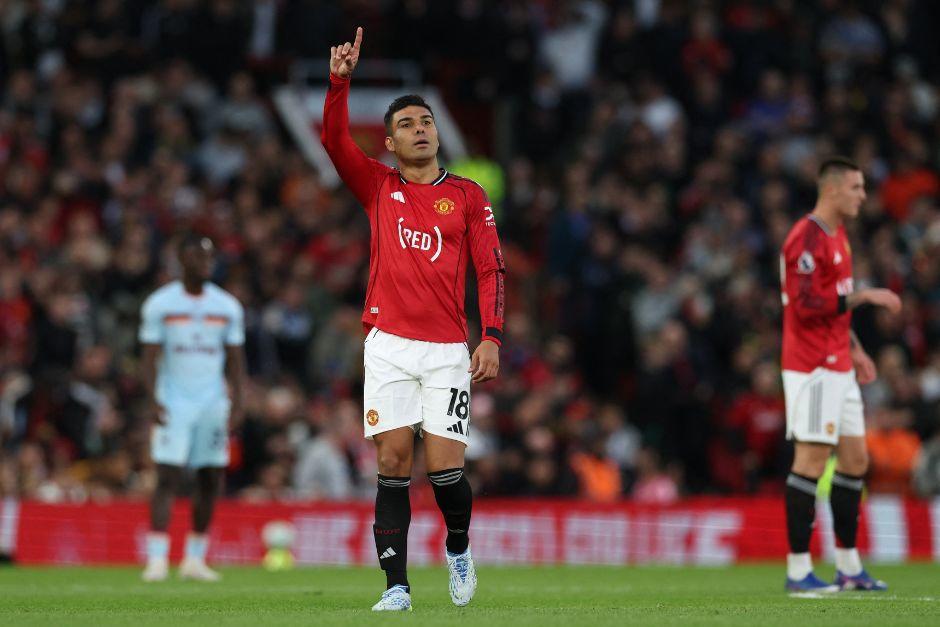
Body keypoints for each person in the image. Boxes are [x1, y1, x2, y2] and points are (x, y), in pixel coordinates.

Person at [322, 28, 505, 611]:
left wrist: (491, 336)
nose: (420, 129)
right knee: (393, 463)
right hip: (388, 345)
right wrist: (339, 83)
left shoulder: (469, 195)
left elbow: (490, 269)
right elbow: (334, 141)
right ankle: (396, 586)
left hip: (448, 348)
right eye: (407, 124)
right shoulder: (378, 186)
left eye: (426, 121)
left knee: (446, 471)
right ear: (391, 143)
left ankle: (458, 548)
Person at [779, 157, 901, 592]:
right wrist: (865, 297)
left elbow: (834, 303)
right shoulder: (806, 238)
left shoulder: (839, 235)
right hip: (812, 367)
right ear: (831, 190)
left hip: (839, 363)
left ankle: (848, 567)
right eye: (856, 187)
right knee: (811, 461)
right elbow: (806, 305)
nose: (863, 196)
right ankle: (798, 570)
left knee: (855, 460)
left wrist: (856, 348)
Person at [139, 235, 246, 582]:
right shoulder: (160, 304)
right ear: (182, 260)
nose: (206, 263)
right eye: (199, 257)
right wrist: (151, 398)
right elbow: (148, 357)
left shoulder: (227, 306)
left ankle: (194, 559)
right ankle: (157, 559)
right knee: (167, 475)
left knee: (210, 477)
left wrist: (238, 402)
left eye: (210, 257)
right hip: (173, 400)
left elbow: (236, 360)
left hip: (213, 402)